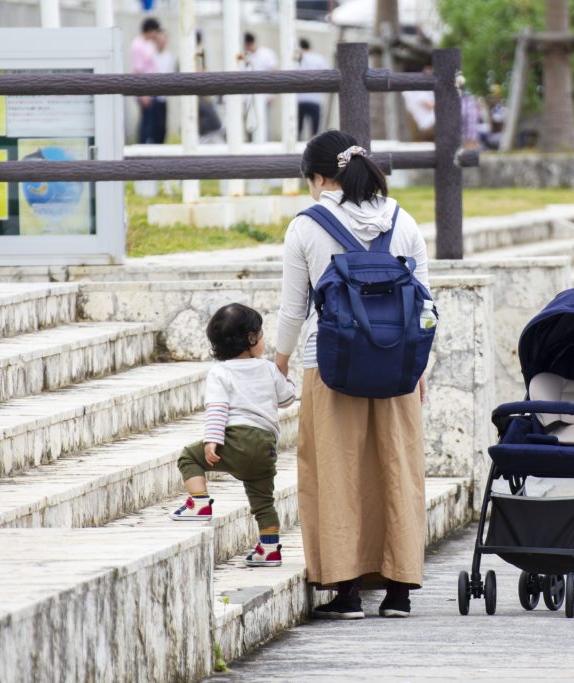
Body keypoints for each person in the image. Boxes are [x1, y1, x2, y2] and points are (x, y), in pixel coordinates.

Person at [275, 130, 430, 619]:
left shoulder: (305, 226)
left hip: (330, 365)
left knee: (336, 472)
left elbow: (293, 310)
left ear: (319, 178)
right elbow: (426, 307)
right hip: (398, 366)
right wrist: (420, 368)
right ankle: (399, 588)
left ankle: (345, 591)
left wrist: (279, 362)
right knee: (396, 469)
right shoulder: (403, 221)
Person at [169, 303, 296, 569]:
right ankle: (270, 548)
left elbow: (218, 408)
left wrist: (211, 440)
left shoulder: (220, 372)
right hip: (265, 447)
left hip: (234, 440)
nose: (262, 339)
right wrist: (285, 376)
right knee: (263, 501)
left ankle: (199, 502)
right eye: (260, 334)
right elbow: (287, 399)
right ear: (251, 338)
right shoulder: (268, 369)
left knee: (188, 457)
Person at [240, 32, 279, 143]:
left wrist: (272, 95)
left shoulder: (266, 54)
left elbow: (274, 73)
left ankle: (265, 148)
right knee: (250, 125)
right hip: (248, 98)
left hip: (265, 97)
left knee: (264, 124)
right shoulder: (244, 56)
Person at [131, 17, 161, 144]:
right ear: (149, 30)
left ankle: (149, 143)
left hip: (151, 85)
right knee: (146, 120)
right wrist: (143, 94)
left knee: (151, 120)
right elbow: (138, 69)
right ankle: (143, 145)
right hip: (143, 87)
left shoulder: (149, 44)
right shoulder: (137, 45)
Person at [295, 38, 328, 139]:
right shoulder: (319, 58)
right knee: (315, 131)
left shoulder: (297, 59)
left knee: (298, 129)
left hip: (300, 99)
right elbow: (326, 75)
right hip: (315, 99)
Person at [151, 29, 175, 145]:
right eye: (160, 40)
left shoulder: (169, 56)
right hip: (151, 96)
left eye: (164, 40)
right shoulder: (151, 55)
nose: (162, 43)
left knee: (162, 126)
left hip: (163, 96)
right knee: (151, 126)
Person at [402, 65, 435, 142]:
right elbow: (429, 106)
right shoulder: (417, 89)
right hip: (427, 123)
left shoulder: (408, 90)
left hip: (426, 124)